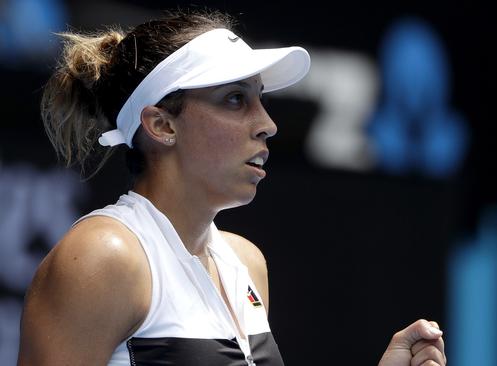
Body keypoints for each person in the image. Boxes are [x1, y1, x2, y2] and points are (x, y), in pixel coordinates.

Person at [18, 9, 446, 366]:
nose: (268, 124)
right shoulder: (104, 256)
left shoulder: (246, 262)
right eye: (235, 99)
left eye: (259, 99)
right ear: (162, 125)